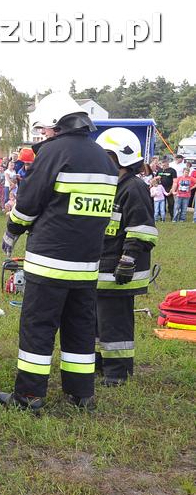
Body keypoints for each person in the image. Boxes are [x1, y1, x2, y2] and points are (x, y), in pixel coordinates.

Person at [0, 92, 118, 412]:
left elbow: (28, 203)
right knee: (79, 330)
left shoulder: (54, 153)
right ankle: (81, 394)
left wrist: (12, 230)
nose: (43, 137)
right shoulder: (104, 158)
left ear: (55, 124)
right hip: (87, 264)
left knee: (38, 329)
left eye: (44, 131)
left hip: (49, 263)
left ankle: (29, 396)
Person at [93, 127, 158, 387]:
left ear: (117, 157)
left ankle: (118, 372)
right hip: (103, 267)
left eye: (103, 155)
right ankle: (100, 364)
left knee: (115, 324)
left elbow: (142, 229)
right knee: (98, 322)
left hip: (121, 269)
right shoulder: (111, 185)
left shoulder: (133, 188)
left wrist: (127, 260)